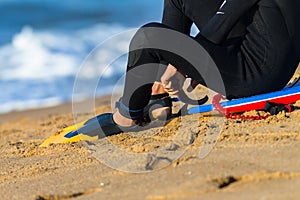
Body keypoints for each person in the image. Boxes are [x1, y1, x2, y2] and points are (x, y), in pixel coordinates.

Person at [96, 0, 300, 136]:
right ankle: (158, 94)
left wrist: (182, 63)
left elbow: (228, 13)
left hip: (253, 73)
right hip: (266, 53)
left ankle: (126, 116)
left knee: (147, 37)